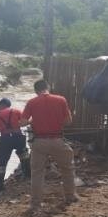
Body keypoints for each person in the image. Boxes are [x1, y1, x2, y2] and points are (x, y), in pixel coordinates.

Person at [19, 79, 78, 209]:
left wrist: (32, 121)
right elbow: (68, 122)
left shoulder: (31, 102)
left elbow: (22, 122)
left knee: (37, 173)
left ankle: (36, 203)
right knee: (67, 169)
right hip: (57, 140)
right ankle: (70, 196)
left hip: (39, 142)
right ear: (48, 87)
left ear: (36, 91)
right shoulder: (61, 100)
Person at [0, 97, 30, 192]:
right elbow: (24, 122)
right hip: (19, 137)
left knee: (1, 162)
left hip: (5, 139)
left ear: (3, 105)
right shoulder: (16, 111)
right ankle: (28, 175)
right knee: (24, 155)